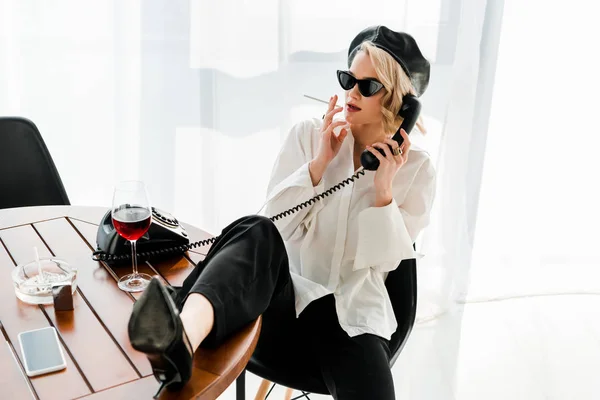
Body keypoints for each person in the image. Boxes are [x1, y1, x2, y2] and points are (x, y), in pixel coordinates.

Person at [127, 25, 436, 400]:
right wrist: (320, 164)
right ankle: (180, 340)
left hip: (351, 318)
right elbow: (278, 223)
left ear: (398, 102)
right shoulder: (310, 135)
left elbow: (386, 260)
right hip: (283, 300)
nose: (351, 92)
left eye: (367, 86)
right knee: (256, 230)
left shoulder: (417, 171)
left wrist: (383, 190)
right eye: (347, 79)